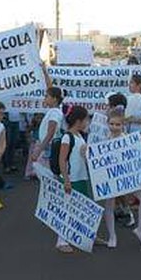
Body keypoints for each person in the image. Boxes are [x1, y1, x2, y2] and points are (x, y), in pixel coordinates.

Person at [107, 106, 141, 247]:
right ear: (107, 123)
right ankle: (112, 236)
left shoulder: (128, 139)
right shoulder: (103, 140)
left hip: (126, 177)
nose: (114, 127)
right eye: (112, 124)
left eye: (118, 124)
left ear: (123, 125)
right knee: (109, 204)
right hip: (110, 177)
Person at [56, 106, 90, 254]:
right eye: (86, 119)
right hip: (73, 178)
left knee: (81, 208)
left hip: (81, 177)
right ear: (79, 121)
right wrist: (66, 180)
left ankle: (82, 236)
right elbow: (62, 160)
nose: (87, 122)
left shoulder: (80, 136)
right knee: (68, 208)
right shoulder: (67, 137)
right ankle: (61, 240)